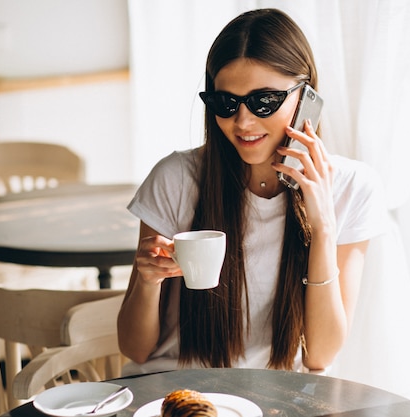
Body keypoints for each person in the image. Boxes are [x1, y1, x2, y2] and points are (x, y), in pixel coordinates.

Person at [117, 7, 387, 376]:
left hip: (279, 401)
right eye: (226, 104)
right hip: (174, 392)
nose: (243, 122)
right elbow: (135, 348)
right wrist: (148, 283)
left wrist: (323, 226)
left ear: (308, 97)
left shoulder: (353, 188)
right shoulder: (176, 179)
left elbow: (320, 356)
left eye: (264, 101)